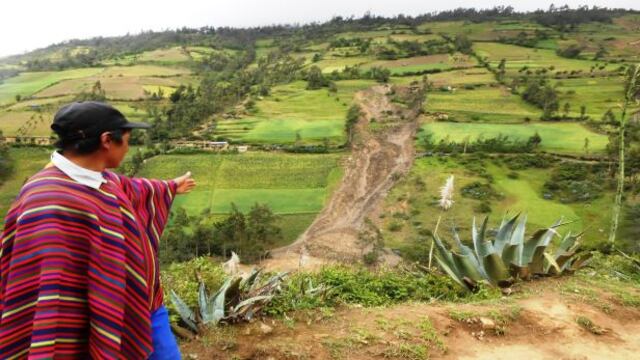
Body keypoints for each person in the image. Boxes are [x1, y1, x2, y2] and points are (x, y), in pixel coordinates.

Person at [0, 101, 196, 359]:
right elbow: (51, 289)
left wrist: (170, 186)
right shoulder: (48, 202)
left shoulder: (99, 177)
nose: (128, 147)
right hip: (94, 323)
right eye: (127, 139)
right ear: (107, 140)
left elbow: (132, 187)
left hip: (142, 305)